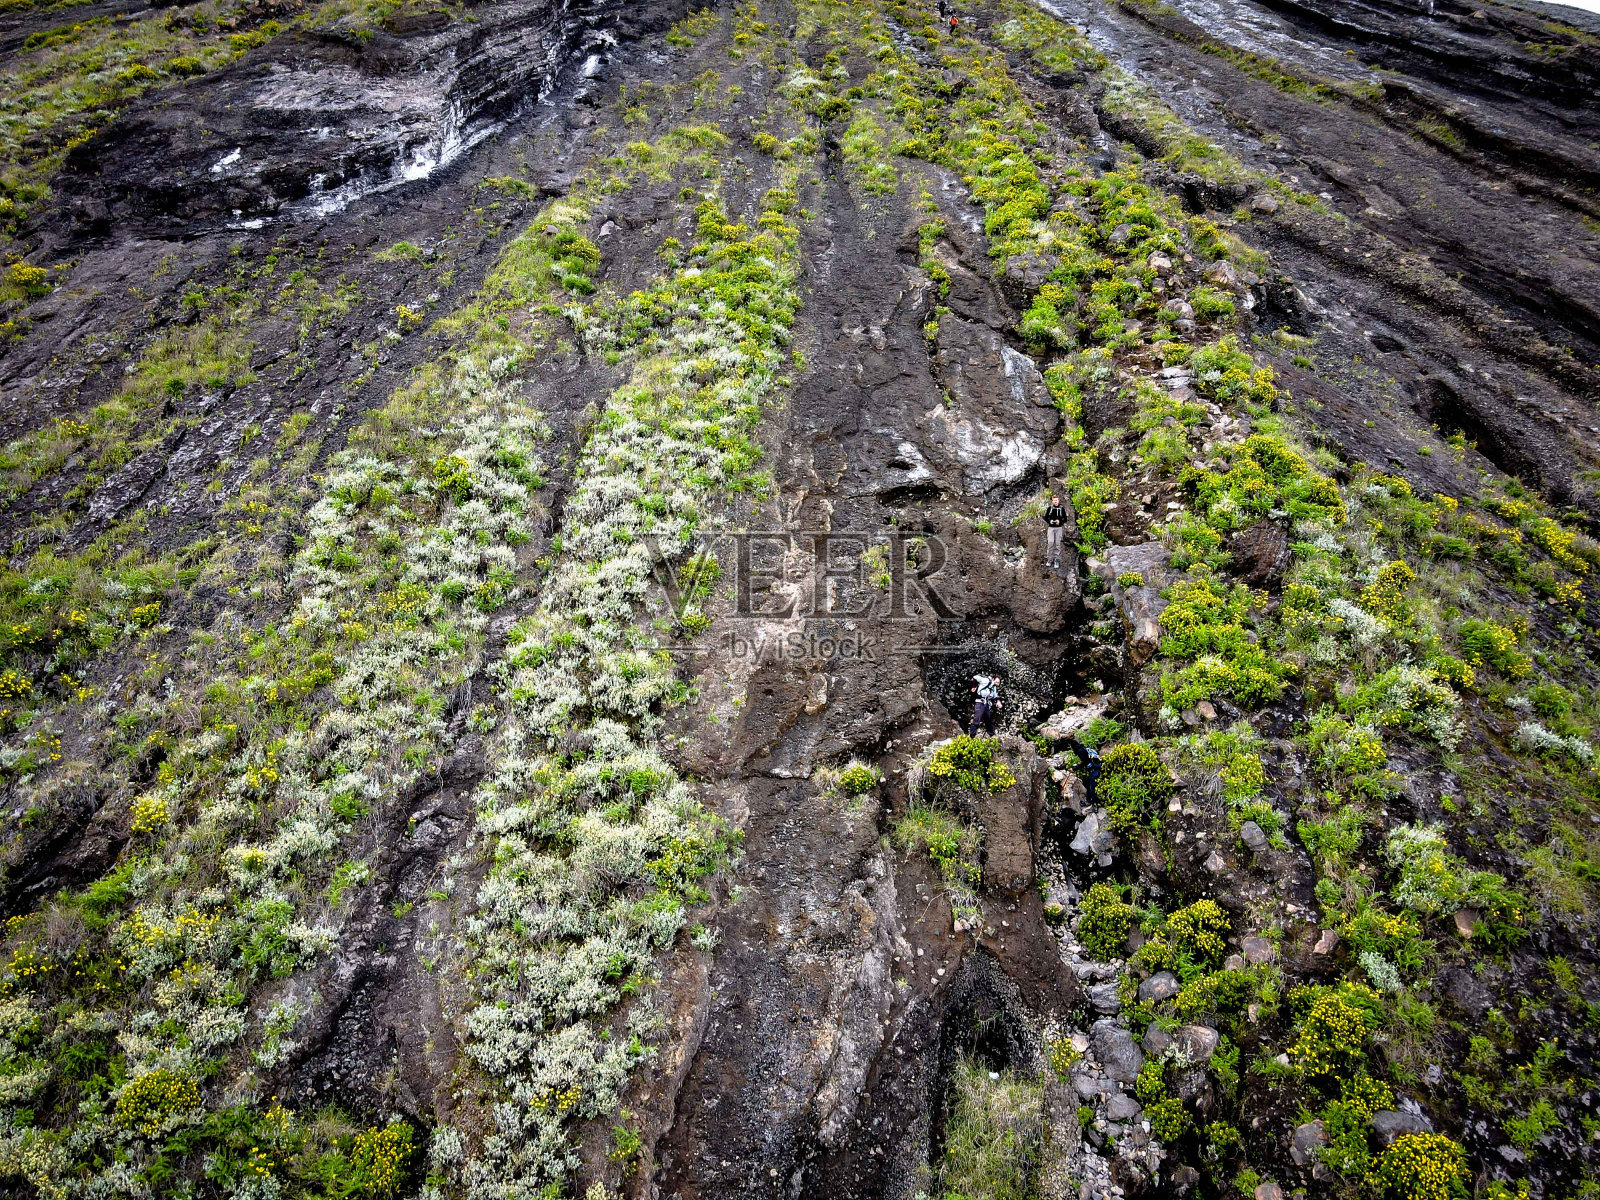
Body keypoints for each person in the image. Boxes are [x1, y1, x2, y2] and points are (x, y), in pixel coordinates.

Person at [1064, 734, 1102, 806]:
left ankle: (1094, 803)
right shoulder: (1083, 748)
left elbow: (1085, 762)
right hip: (1096, 767)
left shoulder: (1080, 751)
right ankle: (1090, 800)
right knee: (1089, 784)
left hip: (1094, 769)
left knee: (1091, 786)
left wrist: (1074, 768)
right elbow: (1086, 760)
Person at [968, 673, 1002, 737]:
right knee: (976, 720)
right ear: (993, 679)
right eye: (997, 680)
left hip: (986, 703)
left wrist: (998, 702)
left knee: (988, 720)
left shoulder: (993, 687)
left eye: (999, 681)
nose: (998, 682)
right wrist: (973, 686)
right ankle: (971, 736)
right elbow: (975, 677)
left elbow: (995, 696)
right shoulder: (986, 680)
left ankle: (992, 735)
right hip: (979, 702)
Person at [1043, 493, 1069, 570]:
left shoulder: (1061, 509)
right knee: (1050, 543)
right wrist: (1050, 521)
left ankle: (1056, 560)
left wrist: (1059, 521)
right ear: (1052, 501)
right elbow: (1045, 517)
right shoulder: (1049, 508)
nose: (1055, 502)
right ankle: (1050, 559)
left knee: (1057, 544)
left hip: (1059, 528)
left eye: (1057, 500)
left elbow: (1065, 519)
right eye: (1054, 500)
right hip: (1051, 528)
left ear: (1059, 500)